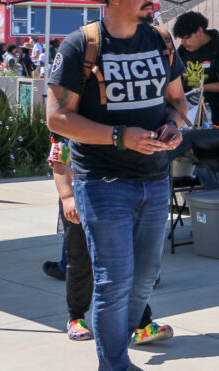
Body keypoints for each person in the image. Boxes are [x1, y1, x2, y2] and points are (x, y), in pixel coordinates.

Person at [46, 0, 187, 371]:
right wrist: (118, 136)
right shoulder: (80, 45)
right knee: (113, 282)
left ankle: (117, 354)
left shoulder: (161, 40)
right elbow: (57, 118)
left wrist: (173, 127)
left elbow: (178, 102)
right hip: (103, 183)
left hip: (155, 178)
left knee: (145, 279)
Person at [47, 133, 173, 344]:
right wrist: (67, 198)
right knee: (80, 259)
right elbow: (59, 164)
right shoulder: (66, 128)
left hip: (114, 197)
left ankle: (142, 323)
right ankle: (76, 317)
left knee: (126, 264)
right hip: (79, 200)